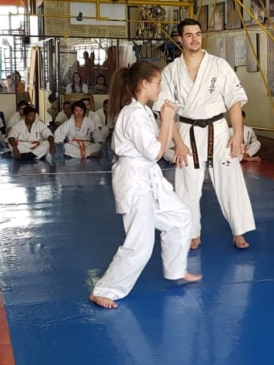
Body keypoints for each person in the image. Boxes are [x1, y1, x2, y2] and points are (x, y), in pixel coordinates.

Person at [89, 61, 201, 309]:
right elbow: (155, 152)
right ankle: (103, 290)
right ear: (144, 83)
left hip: (148, 178)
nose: (160, 87)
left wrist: (167, 122)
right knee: (140, 244)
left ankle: (176, 270)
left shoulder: (143, 112)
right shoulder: (133, 115)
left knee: (180, 216)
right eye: (158, 83)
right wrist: (168, 119)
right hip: (135, 181)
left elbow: (160, 146)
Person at [158, 18, 256, 250]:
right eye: (189, 35)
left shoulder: (219, 65)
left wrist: (237, 133)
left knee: (230, 181)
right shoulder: (171, 71)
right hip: (187, 131)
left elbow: (234, 102)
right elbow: (166, 110)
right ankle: (192, 233)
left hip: (218, 130)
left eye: (198, 34)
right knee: (187, 185)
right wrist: (178, 143)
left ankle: (239, 231)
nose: (194, 39)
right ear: (180, 39)